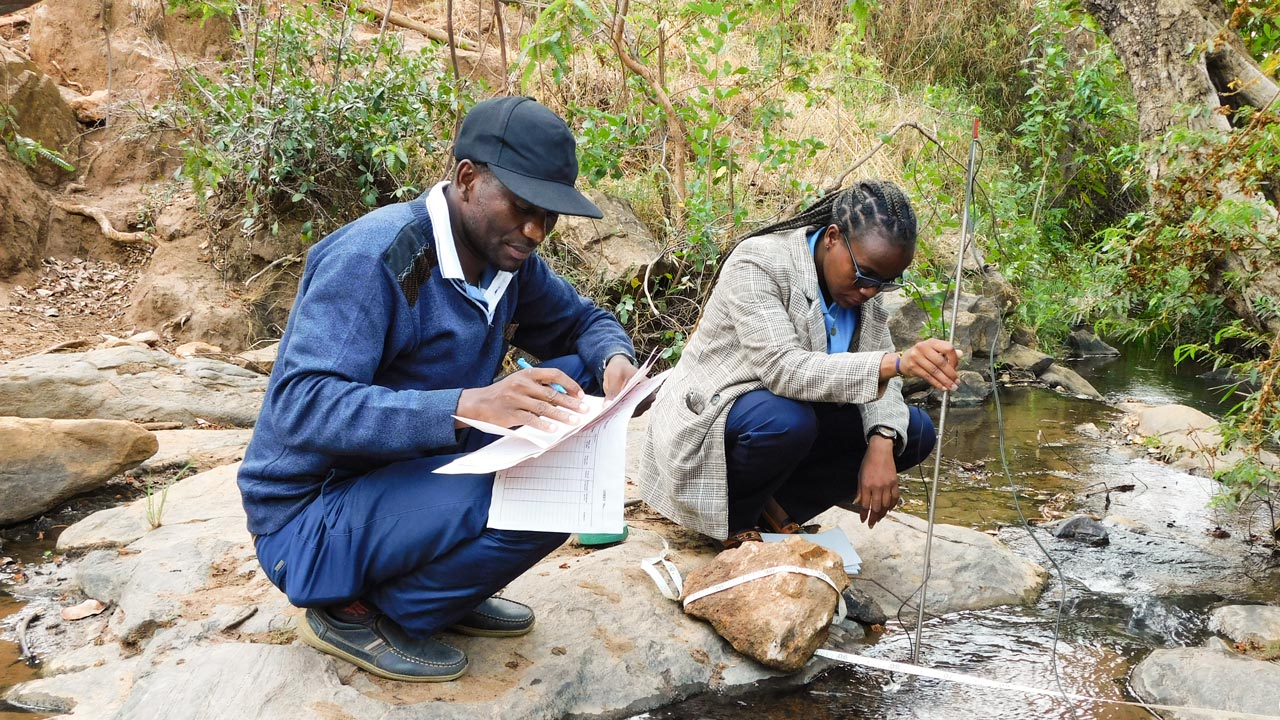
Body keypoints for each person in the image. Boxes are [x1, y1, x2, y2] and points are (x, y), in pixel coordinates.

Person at [237, 96, 638, 683]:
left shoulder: (508, 260)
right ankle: (362, 613)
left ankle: (439, 591)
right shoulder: (376, 257)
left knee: (575, 388)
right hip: (310, 517)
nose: (536, 231)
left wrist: (616, 361)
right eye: (524, 207)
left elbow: (584, 323)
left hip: (407, 477)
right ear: (467, 179)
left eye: (549, 216)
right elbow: (303, 403)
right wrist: (464, 404)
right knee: (539, 494)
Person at [639, 180, 961, 547]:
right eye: (866, 275)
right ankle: (733, 523)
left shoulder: (861, 290)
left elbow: (885, 384)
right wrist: (896, 363)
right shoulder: (757, 262)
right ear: (833, 237)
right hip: (715, 414)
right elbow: (784, 370)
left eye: (884, 283)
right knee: (787, 421)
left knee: (914, 432)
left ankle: (776, 511)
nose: (870, 291)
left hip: (785, 416)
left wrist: (882, 441)